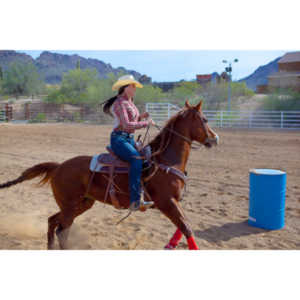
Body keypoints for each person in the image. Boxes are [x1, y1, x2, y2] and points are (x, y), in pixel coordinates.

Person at [102, 75, 155, 211]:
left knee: (146, 158)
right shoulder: (120, 103)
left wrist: (141, 117)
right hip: (119, 139)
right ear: (126, 87)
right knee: (136, 160)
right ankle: (135, 201)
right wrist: (146, 123)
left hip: (128, 139)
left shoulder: (129, 102)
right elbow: (126, 124)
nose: (135, 88)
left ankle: (143, 193)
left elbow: (133, 118)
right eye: (133, 86)